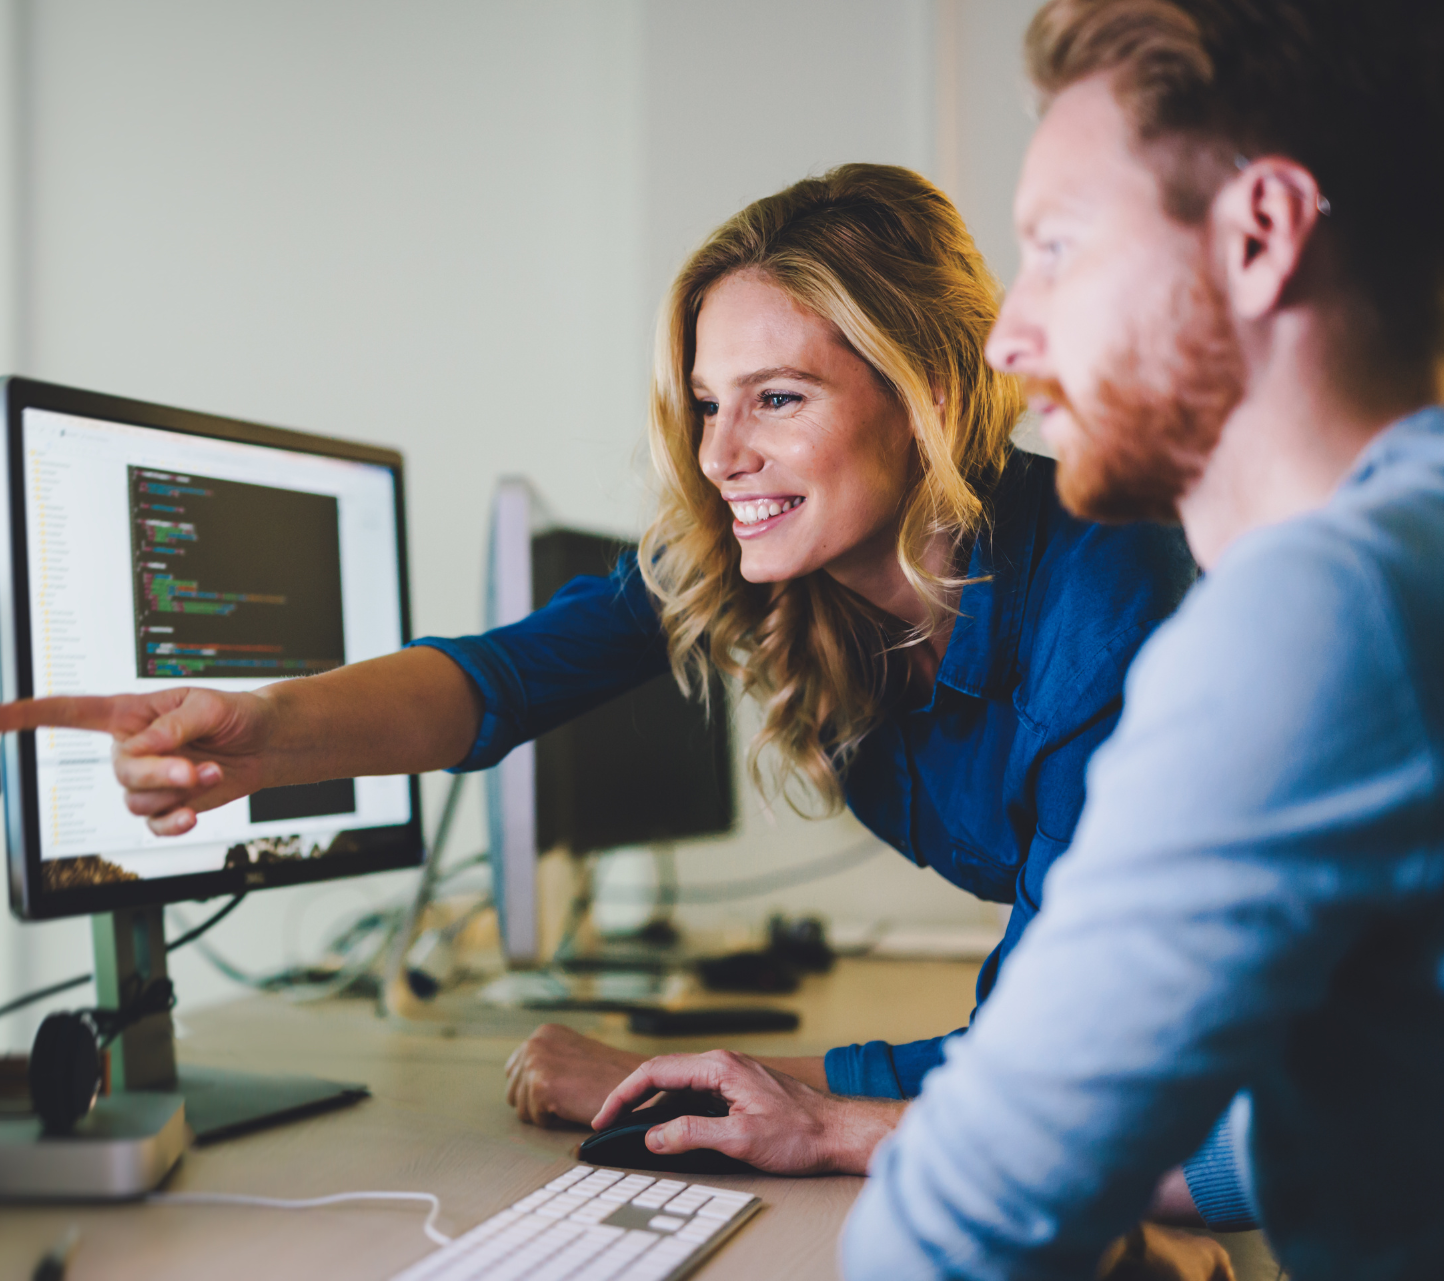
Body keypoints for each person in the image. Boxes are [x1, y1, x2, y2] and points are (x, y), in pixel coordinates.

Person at [0, 165, 1193, 1182]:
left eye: (777, 398)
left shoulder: (1108, 611)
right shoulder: (783, 568)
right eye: (708, 403)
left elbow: (1045, 1067)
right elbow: (502, 680)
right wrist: (264, 732)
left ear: (929, 393)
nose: (720, 454)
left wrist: (712, 1087)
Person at [595, 2, 1444, 1277]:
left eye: (1058, 247)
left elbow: (946, 1238)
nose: (1008, 336)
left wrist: (882, 1141)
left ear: (1260, 235)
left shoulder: (1320, 612)